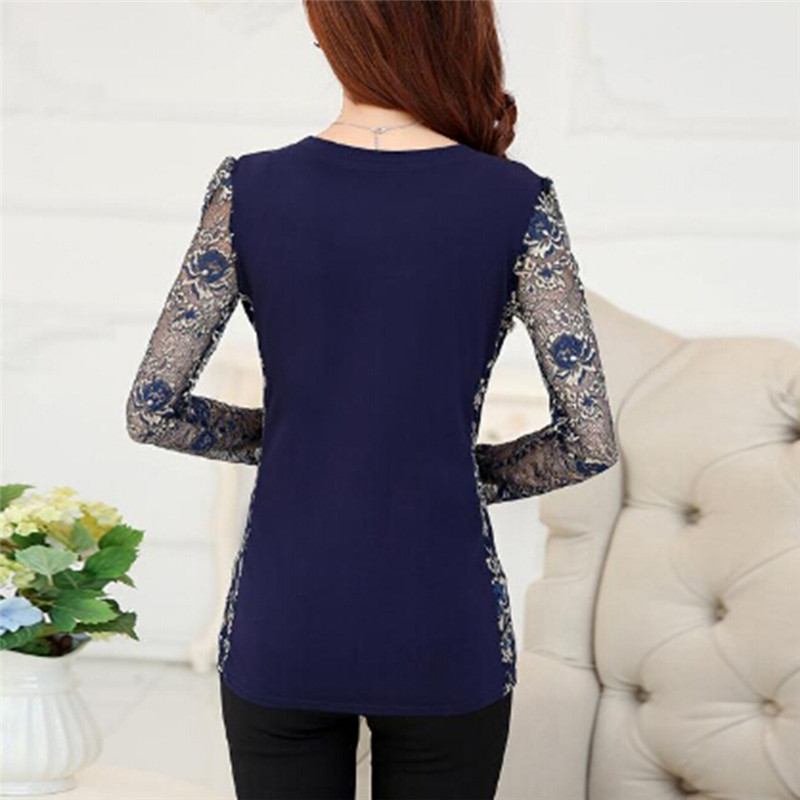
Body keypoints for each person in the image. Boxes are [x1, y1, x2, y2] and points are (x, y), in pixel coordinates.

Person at [124, 1, 619, 797]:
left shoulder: (248, 189)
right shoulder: (518, 200)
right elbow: (588, 441)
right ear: (463, 31)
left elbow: (153, 408)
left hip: (285, 615)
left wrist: (307, 443)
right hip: (445, 622)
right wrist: (457, 471)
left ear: (327, 35)